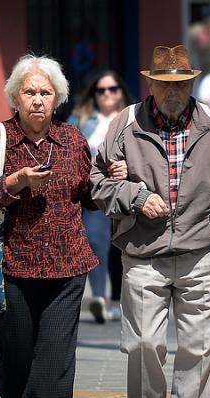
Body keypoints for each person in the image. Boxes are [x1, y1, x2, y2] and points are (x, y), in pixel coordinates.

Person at [90, 45, 210, 398]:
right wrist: (134, 196)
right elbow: (97, 182)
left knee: (198, 348)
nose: (172, 92)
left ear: (191, 84)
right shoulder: (124, 125)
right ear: (150, 83)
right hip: (142, 253)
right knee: (144, 344)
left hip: (201, 251)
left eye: (180, 85)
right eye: (164, 84)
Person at [0, 54, 98, 398]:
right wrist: (16, 181)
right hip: (14, 265)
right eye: (30, 92)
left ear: (57, 98)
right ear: (15, 97)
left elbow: (87, 196)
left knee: (56, 358)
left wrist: (112, 176)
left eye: (45, 92)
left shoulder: (73, 140)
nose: (38, 100)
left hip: (67, 264)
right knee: (16, 356)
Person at [68, 71, 133, 323]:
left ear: (121, 92)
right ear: (94, 94)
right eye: (101, 90)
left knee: (120, 247)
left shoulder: (133, 118)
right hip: (94, 193)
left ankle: (117, 300)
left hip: (125, 192)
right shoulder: (81, 120)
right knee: (95, 242)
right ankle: (98, 298)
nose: (107, 94)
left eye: (112, 89)